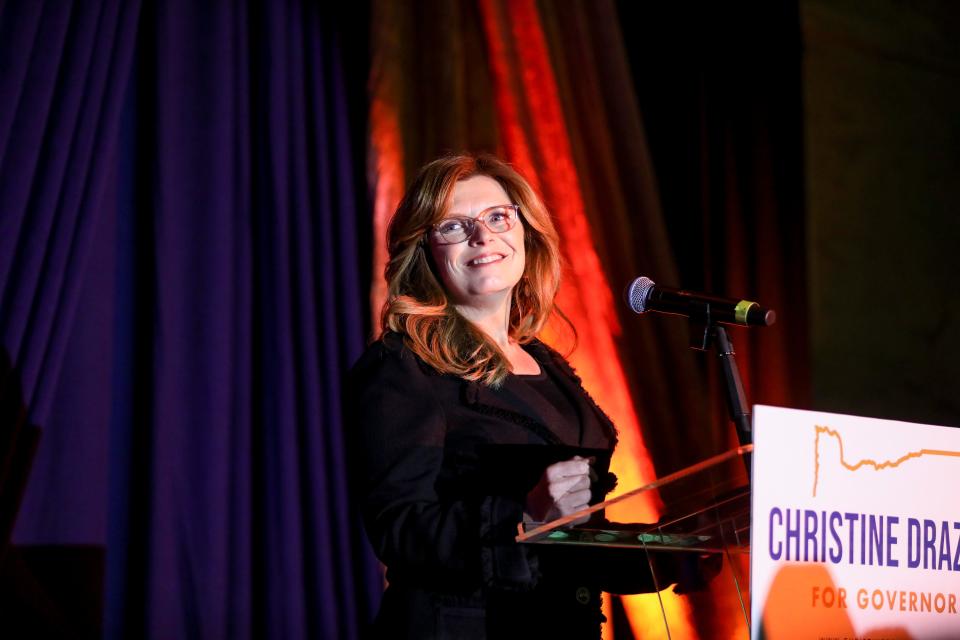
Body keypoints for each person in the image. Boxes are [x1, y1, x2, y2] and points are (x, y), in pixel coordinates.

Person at [348, 153, 643, 639]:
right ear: (424, 250)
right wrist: (522, 515)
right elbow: (399, 529)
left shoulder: (548, 364)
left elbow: (571, 536)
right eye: (453, 226)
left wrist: (674, 550)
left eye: (497, 217)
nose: (482, 237)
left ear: (525, 230)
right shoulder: (401, 367)